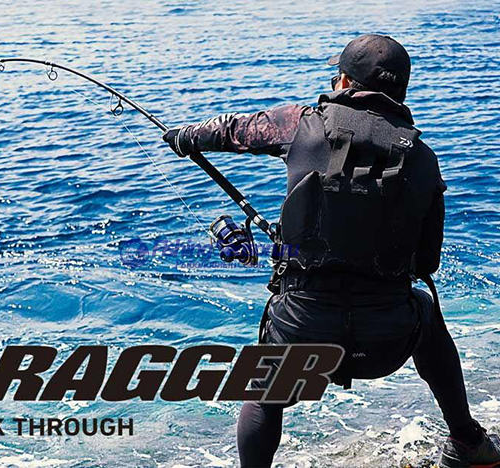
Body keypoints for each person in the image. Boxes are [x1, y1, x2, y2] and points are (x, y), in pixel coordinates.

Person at [163, 34, 500, 468]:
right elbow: (427, 262)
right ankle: (468, 441)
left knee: (264, 392)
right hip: (386, 344)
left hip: (301, 335)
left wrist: (183, 137)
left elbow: (228, 130)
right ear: (401, 91)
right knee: (428, 315)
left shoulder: (299, 124)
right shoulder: (423, 158)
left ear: (343, 81)